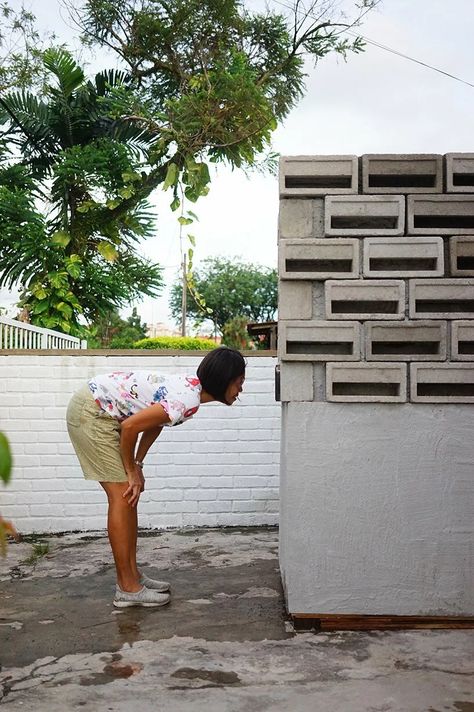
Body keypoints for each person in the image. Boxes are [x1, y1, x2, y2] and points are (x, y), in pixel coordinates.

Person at [66, 346, 246, 609]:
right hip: (93, 413)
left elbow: (151, 423)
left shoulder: (190, 391)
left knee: (129, 496)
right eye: (239, 382)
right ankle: (127, 589)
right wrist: (131, 471)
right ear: (224, 380)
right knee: (123, 495)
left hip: (99, 410)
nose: (240, 390)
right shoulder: (187, 400)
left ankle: (132, 578)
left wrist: (138, 463)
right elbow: (130, 427)